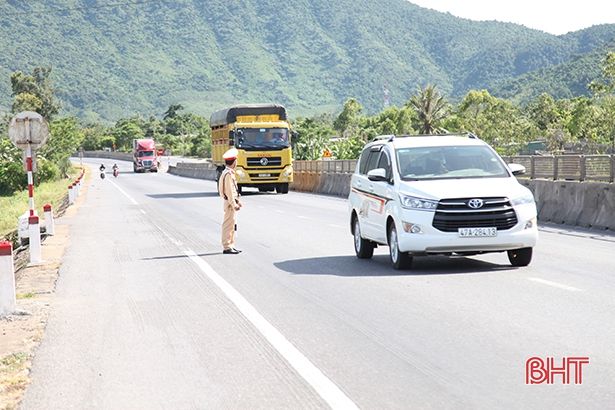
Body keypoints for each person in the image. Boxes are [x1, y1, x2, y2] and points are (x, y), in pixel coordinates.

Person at [218, 148, 242, 254]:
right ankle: (227, 246)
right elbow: (229, 191)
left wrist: (237, 201)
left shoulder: (228, 173)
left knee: (232, 225)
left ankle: (231, 245)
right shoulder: (228, 174)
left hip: (230, 202)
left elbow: (233, 191)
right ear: (234, 162)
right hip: (229, 204)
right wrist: (233, 204)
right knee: (228, 225)